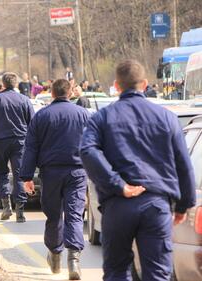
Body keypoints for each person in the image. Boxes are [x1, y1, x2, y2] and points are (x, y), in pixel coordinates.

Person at [80, 60, 196, 281]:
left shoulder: (102, 118)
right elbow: (184, 164)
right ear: (144, 84)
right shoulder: (167, 118)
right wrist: (184, 205)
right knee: (157, 273)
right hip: (156, 205)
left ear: (117, 85)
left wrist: (118, 184)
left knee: (116, 272)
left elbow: (87, 151)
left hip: (117, 205)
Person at [20, 79, 90, 280]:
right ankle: (74, 259)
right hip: (77, 172)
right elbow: (93, 144)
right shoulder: (84, 115)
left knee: (53, 215)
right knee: (75, 214)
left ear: (52, 93)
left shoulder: (42, 116)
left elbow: (31, 147)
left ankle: (55, 256)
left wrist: (26, 177)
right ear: (70, 93)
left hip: (50, 173)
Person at [0, 72, 34, 223]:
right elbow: (33, 124)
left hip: (0, 142)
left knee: (1, 173)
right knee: (19, 175)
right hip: (20, 142)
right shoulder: (24, 100)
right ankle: (20, 212)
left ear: (3, 84)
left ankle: (6, 205)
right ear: (16, 84)